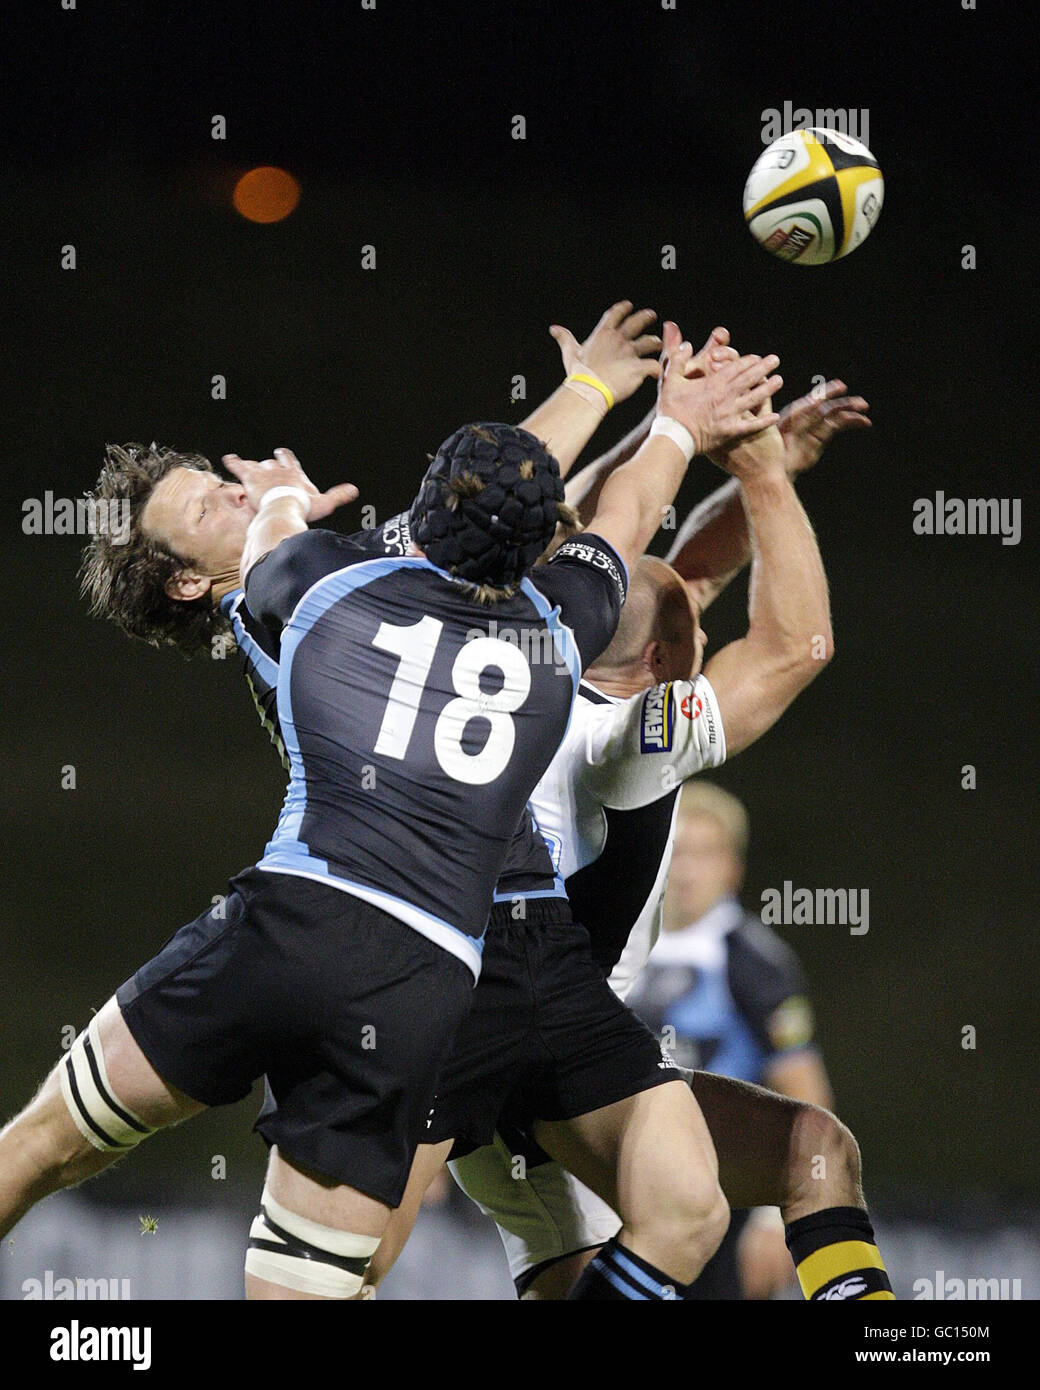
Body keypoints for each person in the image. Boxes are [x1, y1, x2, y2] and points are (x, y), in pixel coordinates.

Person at [0, 320, 785, 1301]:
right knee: (347, 1274)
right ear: (190, 581)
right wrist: (648, 411)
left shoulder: (314, 585)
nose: (235, 494)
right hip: (423, 970)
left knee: (43, 1143)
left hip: (289, 924)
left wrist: (282, 493)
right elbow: (590, 522)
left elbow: (410, 510)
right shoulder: (545, 629)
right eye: (209, 501)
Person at [627, 781, 835, 1299]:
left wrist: (776, 1221)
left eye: (705, 853)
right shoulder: (620, 948)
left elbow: (806, 1097)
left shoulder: (754, 963)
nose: (686, 870)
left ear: (733, 869)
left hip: (726, 1205)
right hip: (625, 1193)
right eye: (676, 851)